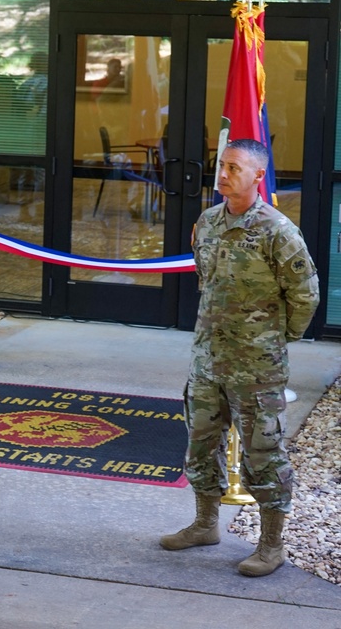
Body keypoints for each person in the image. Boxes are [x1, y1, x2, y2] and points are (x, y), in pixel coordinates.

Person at [160, 138, 319, 577]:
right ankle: (205, 524)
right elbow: (204, 277)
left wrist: (278, 337)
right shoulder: (208, 221)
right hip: (209, 358)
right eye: (221, 166)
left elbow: (306, 294)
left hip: (256, 365)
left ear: (257, 177)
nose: (223, 174)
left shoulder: (276, 230)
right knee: (200, 445)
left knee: (262, 453)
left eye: (234, 167)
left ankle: (271, 545)